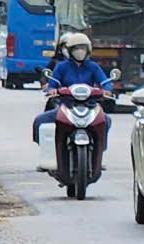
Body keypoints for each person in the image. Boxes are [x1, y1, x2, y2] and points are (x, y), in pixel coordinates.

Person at [33, 32, 116, 169]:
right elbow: (53, 84)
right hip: (65, 105)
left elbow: (105, 82)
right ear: (70, 51)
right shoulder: (61, 67)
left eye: (82, 48)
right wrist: (52, 90)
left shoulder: (93, 67)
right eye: (76, 49)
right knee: (39, 121)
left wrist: (107, 89)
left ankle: (98, 155)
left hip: (90, 105)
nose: (79, 52)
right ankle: (47, 154)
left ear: (88, 50)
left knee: (106, 120)